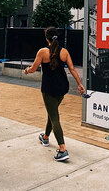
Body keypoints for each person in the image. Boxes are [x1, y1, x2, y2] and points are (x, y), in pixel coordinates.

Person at [24, 27, 85, 161]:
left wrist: (27, 70)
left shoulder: (42, 52)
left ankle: (62, 149)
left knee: (54, 117)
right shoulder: (64, 52)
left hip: (48, 88)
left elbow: (34, 68)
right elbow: (73, 69)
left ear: (47, 38)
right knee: (52, 113)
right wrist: (80, 84)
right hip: (62, 87)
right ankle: (45, 137)